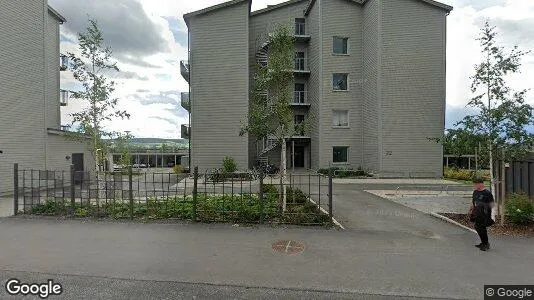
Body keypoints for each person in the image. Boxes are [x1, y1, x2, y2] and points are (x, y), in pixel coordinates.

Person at [470, 177, 495, 251]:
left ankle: (486, 244)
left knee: (481, 228)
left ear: (480, 184)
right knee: (478, 227)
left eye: (475, 184)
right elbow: (473, 201)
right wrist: (471, 209)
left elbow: (492, 204)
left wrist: (486, 209)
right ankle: (483, 242)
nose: (474, 186)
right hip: (477, 213)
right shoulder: (475, 192)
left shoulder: (487, 193)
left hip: (484, 214)